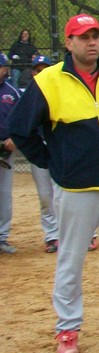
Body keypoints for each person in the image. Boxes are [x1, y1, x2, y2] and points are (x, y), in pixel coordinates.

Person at [9, 13, 99, 353]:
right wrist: (52, 162)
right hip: (76, 188)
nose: (92, 42)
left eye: (96, 36)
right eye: (84, 36)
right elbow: (21, 129)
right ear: (69, 43)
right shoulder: (49, 81)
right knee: (72, 257)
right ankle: (68, 328)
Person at [26, 56, 61, 252]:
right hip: (41, 147)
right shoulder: (30, 95)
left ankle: (88, 233)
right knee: (46, 195)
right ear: (33, 73)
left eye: (45, 69)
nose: (41, 73)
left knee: (69, 191)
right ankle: (52, 235)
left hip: (61, 148)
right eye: (37, 70)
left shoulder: (60, 91)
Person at [0, 53, 20, 254]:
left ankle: (2, 237)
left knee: (4, 194)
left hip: (5, 148)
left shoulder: (12, 92)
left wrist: (15, 138)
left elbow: (22, 119)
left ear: (5, 69)